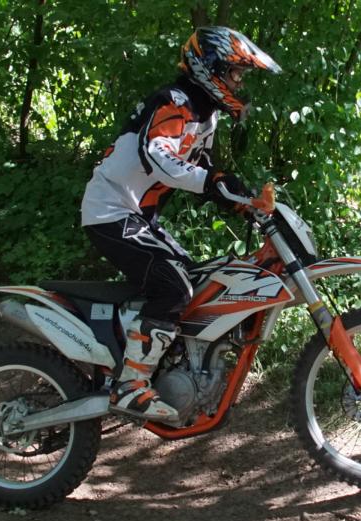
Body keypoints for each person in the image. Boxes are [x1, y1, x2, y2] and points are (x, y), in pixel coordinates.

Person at [80, 27, 281, 422]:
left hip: (137, 216)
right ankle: (130, 386)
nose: (239, 84)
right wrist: (212, 182)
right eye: (235, 74)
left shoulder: (205, 116)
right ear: (211, 70)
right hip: (110, 211)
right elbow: (159, 156)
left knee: (192, 282)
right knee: (173, 286)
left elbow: (203, 170)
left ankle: (155, 369)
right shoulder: (173, 102)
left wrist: (245, 204)